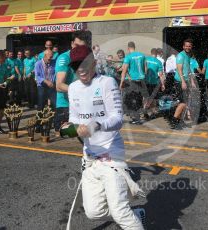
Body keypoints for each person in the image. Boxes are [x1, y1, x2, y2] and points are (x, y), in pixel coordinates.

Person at [66, 45, 146, 230]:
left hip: (112, 154)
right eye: (76, 65)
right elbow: (73, 121)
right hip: (90, 158)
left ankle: (127, 217)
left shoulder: (107, 82)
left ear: (93, 63)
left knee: (119, 212)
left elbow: (117, 119)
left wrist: (96, 126)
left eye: (85, 63)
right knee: (93, 212)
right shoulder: (73, 88)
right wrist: (68, 128)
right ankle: (134, 214)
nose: (81, 68)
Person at [55, 31, 88, 136]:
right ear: (71, 43)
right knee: (67, 138)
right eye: (76, 45)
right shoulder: (64, 58)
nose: (79, 49)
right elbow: (59, 85)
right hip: (66, 105)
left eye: (82, 47)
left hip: (82, 103)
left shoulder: (85, 57)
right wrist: (82, 92)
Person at [120, 41, 147, 125]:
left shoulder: (128, 57)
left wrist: (121, 82)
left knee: (132, 100)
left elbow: (124, 71)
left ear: (128, 48)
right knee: (139, 99)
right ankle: (138, 118)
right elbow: (146, 69)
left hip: (134, 81)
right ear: (134, 47)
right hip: (142, 80)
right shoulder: (142, 55)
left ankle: (136, 118)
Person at [171, 39, 196, 130]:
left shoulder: (188, 55)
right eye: (186, 46)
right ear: (183, 46)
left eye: (189, 46)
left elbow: (188, 69)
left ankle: (179, 121)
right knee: (183, 102)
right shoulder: (180, 55)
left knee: (185, 102)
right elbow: (179, 69)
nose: (188, 47)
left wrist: (192, 81)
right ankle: (174, 121)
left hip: (186, 80)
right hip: (180, 81)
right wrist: (183, 82)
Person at [145, 48, 165, 119]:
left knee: (145, 97)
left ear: (151, 53)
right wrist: (163, 84)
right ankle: (153, 113)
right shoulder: (158, 62)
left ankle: (145, 112)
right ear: (157, 54)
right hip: (154, 82)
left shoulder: (146, 59)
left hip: (145, 81)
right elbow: (161, 75)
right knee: (153, 98)